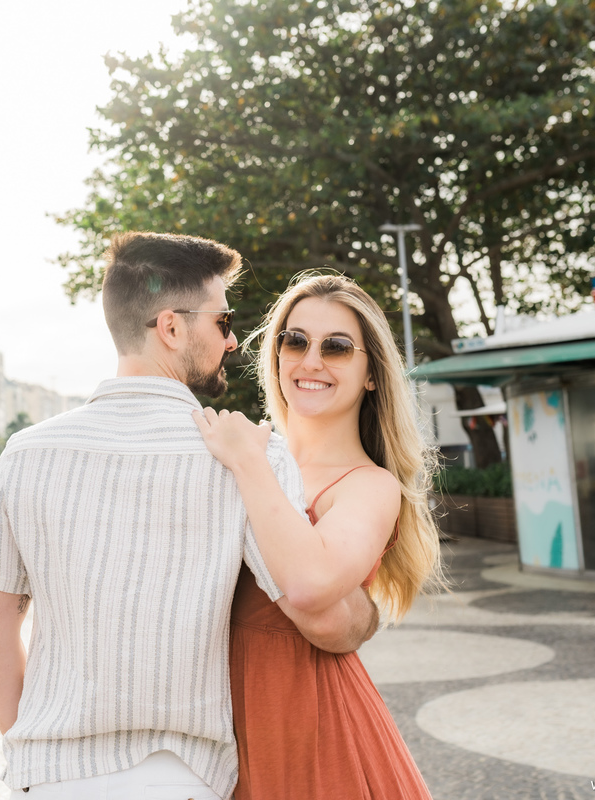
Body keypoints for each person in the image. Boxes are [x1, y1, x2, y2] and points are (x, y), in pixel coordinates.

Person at [0, 233, 379, 800]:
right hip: (180, 777)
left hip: (50, 779)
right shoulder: (249, 456)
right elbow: (324, 620)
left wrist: (36, 751)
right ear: (173, 328)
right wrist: (365, 613)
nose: (232, 342)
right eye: (223, 321)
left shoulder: (25, 453)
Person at [193, 272, 445, 800]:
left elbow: (310, 586)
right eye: (295, 340)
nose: (311, 361)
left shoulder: (370, 486)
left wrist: (246, 461)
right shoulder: (232, 458)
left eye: (336, 347)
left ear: (372, 374)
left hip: (310, 724)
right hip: (212, 729)